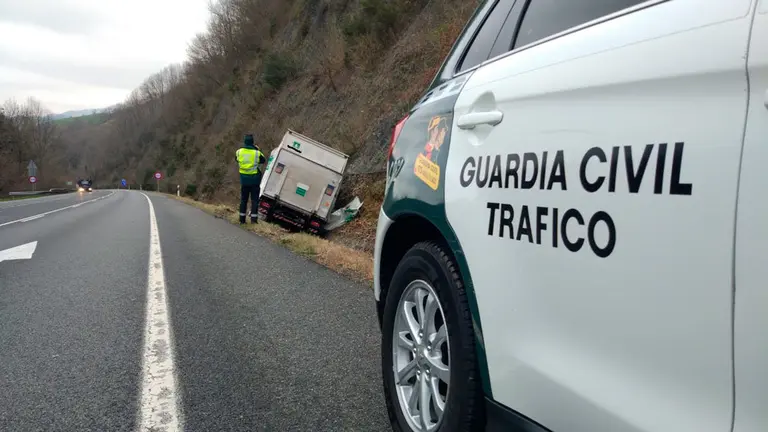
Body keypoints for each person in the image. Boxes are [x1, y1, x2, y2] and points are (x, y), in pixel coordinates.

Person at [235, 133, 266, 224]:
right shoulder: (257, 153)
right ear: (252, 142)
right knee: (254, 201)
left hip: (244, 181)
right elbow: (263, 160)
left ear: (245, 142)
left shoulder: (239, 152)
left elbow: (236, 159)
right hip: (254, 181)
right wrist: (256, 149)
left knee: (243, 200)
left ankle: (242, 219)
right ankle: (253, 220)